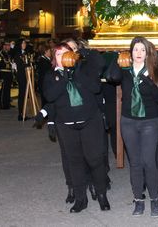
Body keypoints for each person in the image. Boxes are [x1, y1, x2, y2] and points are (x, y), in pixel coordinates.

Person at [45, 43, 110, 213]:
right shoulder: (51, 76)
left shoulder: (84, 69)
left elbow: (96, 87)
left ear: (72, 55)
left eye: (66, 53)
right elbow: (50, 96)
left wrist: (77, 70)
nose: (62, 57)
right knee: (75, 162)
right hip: (66, 126)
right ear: (54, 59)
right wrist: (65, 78)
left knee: (95, 159)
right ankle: (81, 199)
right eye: (58, 54)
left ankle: (102, 194)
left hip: (90, 121)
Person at [106, 37, 158, 217]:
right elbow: (111, 77)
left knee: (149, 162)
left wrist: (147, 81)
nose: (138, 53)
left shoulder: (153, 71)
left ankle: (154, 199)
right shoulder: (124, 71)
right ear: (130, 53)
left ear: (147, 53)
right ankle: (138, 199)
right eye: (135, 50)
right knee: (136, 163)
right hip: (129, 121)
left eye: (142, 50)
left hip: (149, 122)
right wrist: (117, 60)